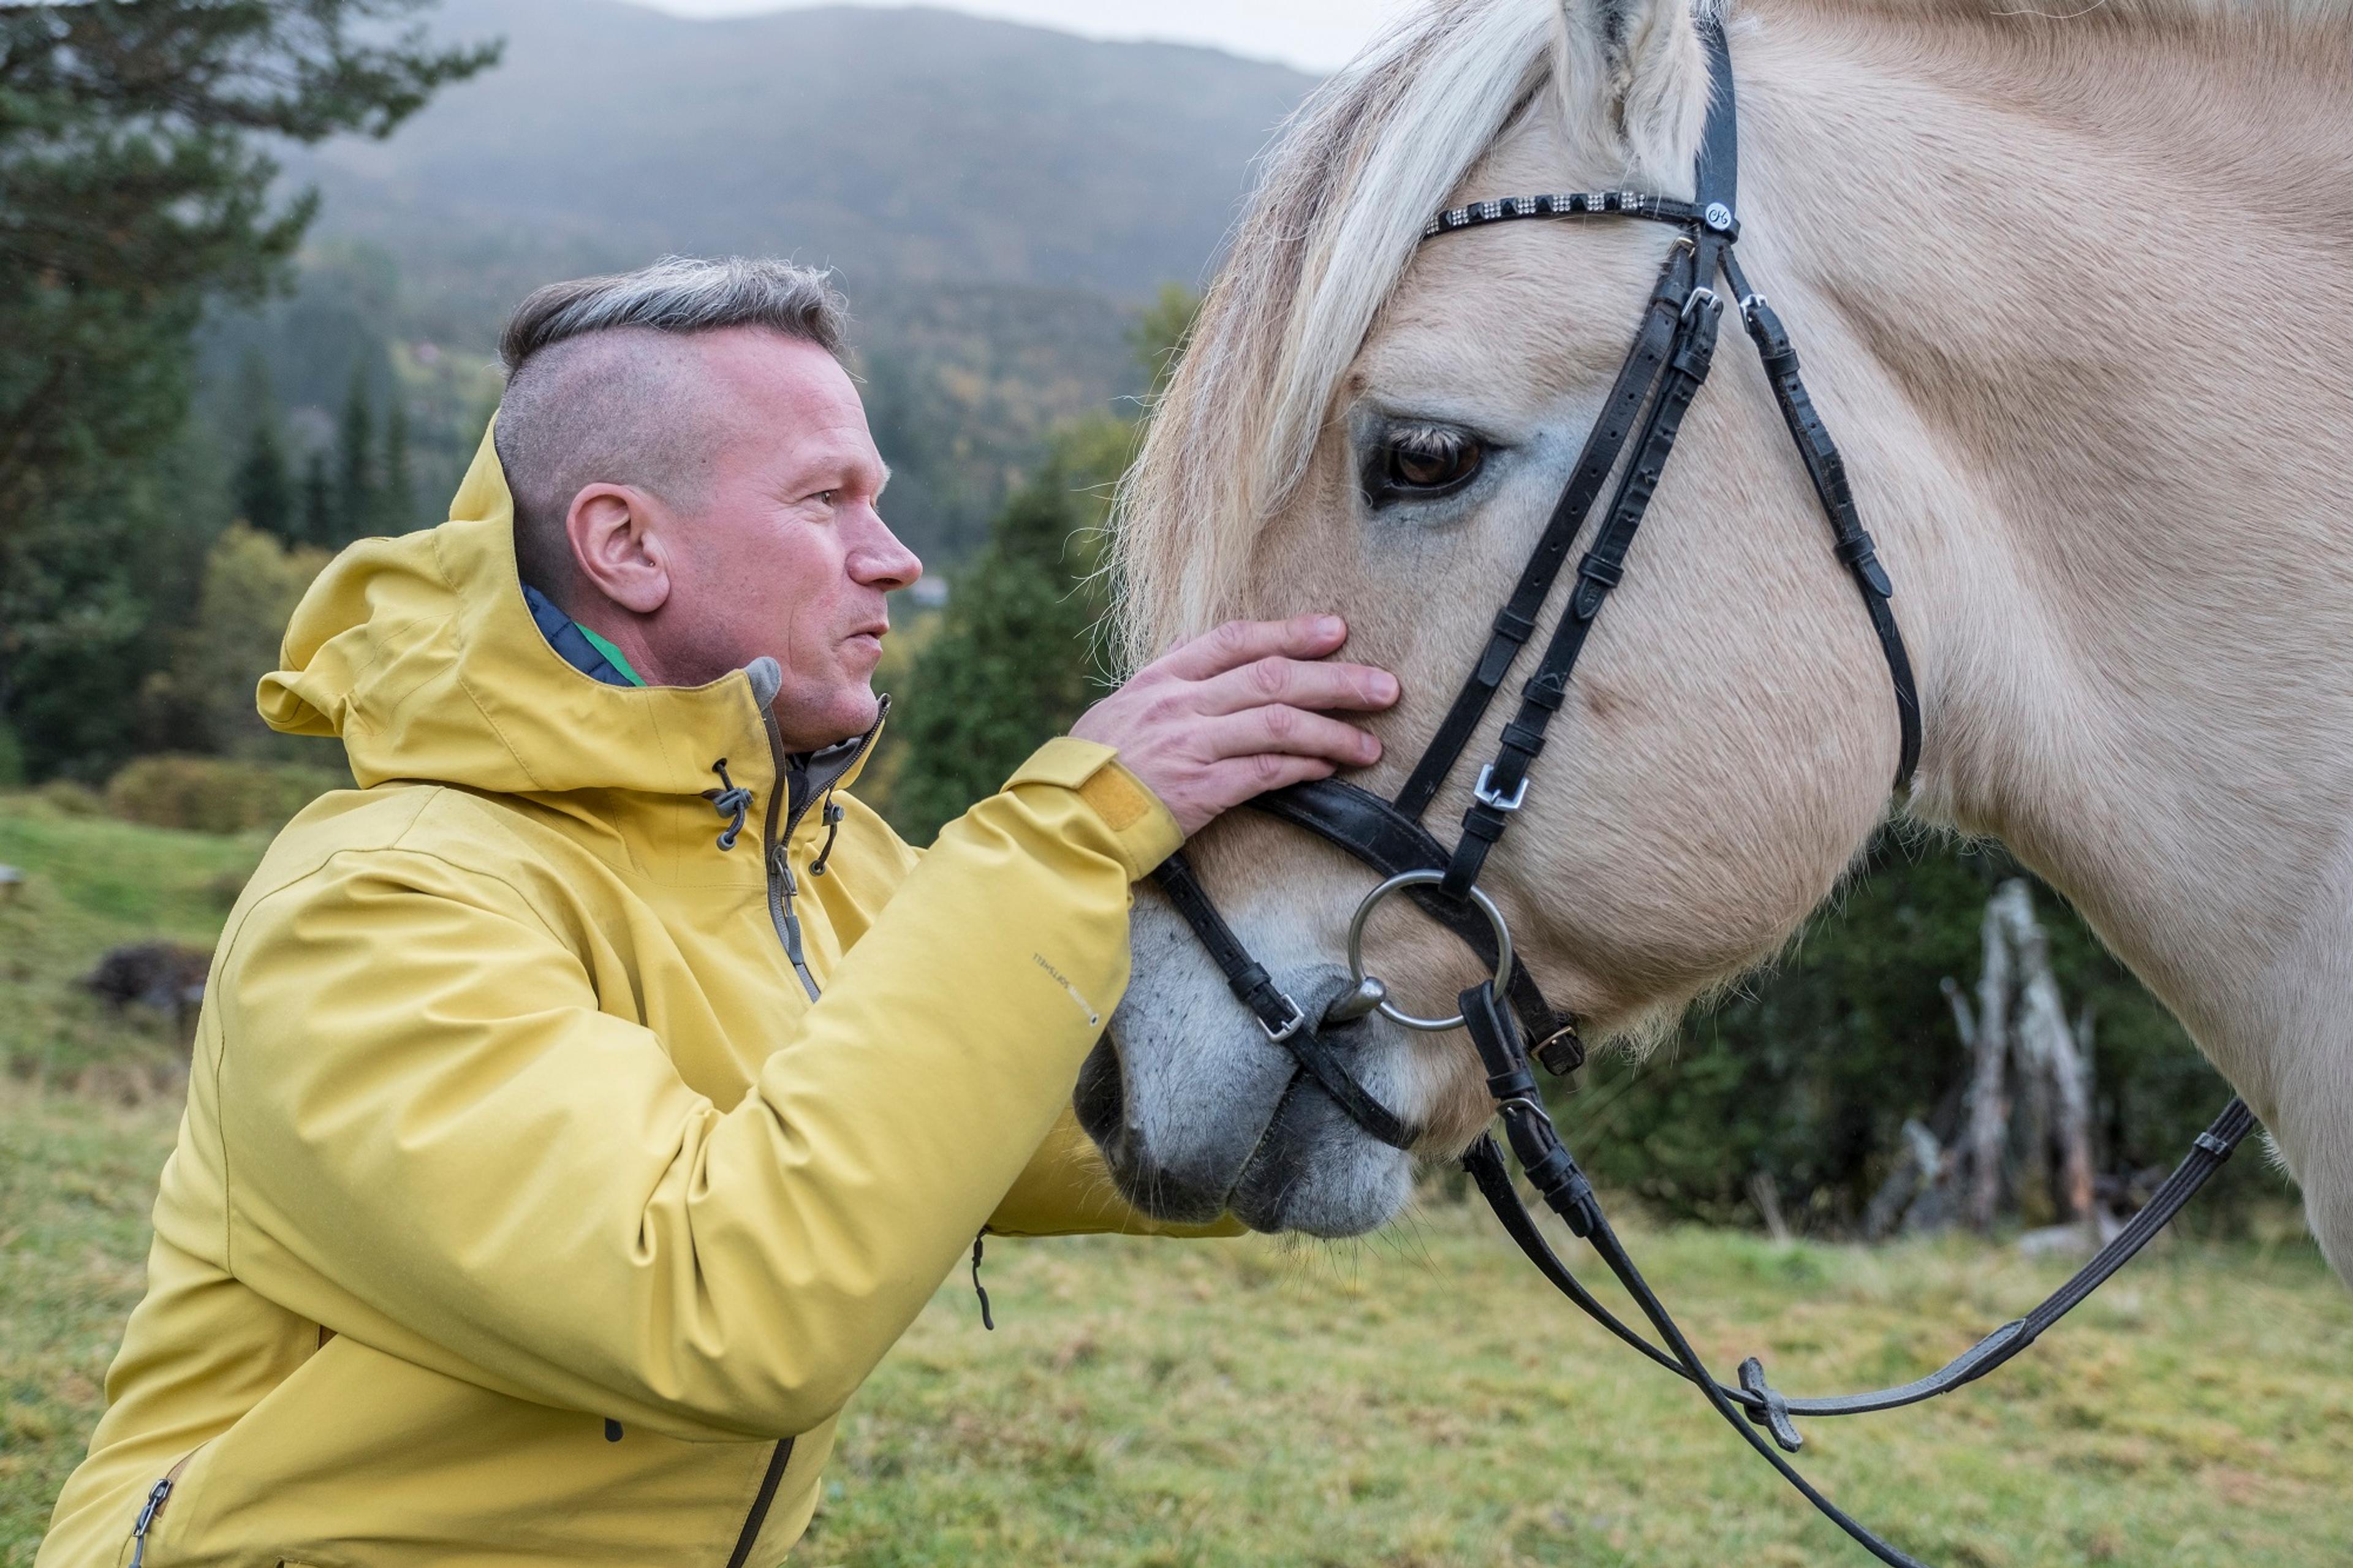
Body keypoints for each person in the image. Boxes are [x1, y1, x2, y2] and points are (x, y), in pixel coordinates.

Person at [36, 257, 1399, 1567]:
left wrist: (1437, 983)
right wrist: (1074, 827)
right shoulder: (379, 904)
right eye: (827, 500)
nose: (896, 557)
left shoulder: (822, 865)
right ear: (625, 542)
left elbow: (1069, 1115)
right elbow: (720, 1303)